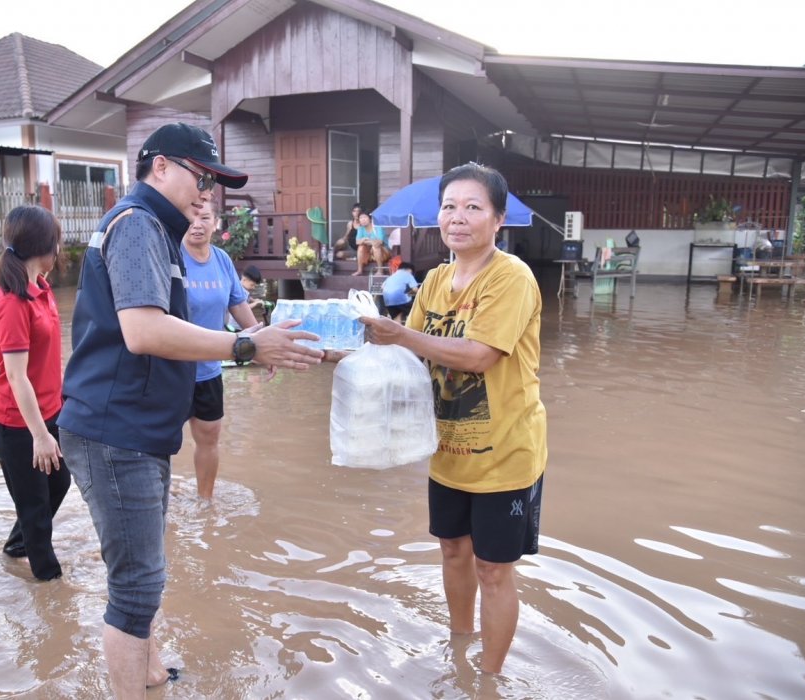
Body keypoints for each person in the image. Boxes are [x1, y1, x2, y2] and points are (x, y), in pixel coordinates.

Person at [57, 122, 323, 699]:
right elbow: (144, 330)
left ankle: (150, 672)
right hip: (114, 431)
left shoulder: (159, 230)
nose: (207, 193)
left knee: (144, 574)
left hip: (140, 429)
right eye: (200, 177)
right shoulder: (137, 226)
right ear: (159, 167)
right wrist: (246, 345)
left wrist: (261, 340)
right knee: (137, 584)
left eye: (214, 183)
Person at [359, 163, 546, 675]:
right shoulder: (436, 279)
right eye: (448, 206)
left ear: (497, 219)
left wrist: (399, 336)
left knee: (493, 569)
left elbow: (478, 354)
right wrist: (340, 352)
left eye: (472, 207)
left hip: (505, 453)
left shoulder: (511, 277)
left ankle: (488, 676)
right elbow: (409, 358)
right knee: (452, 552)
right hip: (447, 453)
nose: (457, 218)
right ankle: (460, 647)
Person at [0, 205, 69, 582]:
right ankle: (50, 588)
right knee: (35, 507)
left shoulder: (41, 288)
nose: (60, 251)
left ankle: (16, 547)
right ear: (44, 245)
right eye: (57, 243)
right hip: (17, 421)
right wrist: (39, 435)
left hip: (48, 409)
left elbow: (48, 360)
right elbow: (17, 377)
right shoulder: (13, 302)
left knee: (60, 482)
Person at [181, 200, 260, 500]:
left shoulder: (222, 260)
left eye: (205, 218)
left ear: (216, 224)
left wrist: (260, 344)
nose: (197, 224)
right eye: (191, 217)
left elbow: (238, 304)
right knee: (161, 442)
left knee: (209, 437)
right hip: (173, 369)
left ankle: (205, 502)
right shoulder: (171, 256)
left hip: (209, 370)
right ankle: (157, 507)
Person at [353, 210, 390, 275]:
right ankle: (359, 270)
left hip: (383, 253)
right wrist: (365, 239)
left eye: (365, 217)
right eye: (361, 218)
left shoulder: (377, 227)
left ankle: (380, 271)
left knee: (375, 247)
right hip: (370, 254)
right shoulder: (360, 228)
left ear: (370, 219)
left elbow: (379, 242)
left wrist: (364, 240)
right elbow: (357, 242)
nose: (363, 220)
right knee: (361, 247)